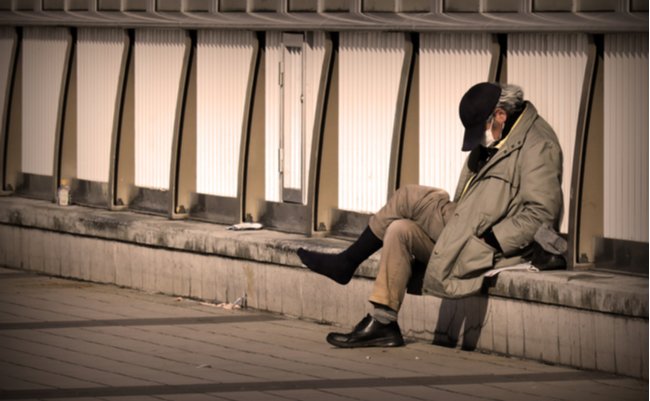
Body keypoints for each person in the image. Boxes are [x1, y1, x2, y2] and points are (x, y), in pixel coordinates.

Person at [297, 82, 563, 348]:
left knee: (408, 197)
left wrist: (492, 239)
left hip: (486, 243)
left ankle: (346, 263)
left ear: (501, 115)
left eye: (481, 129)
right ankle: (383, 323)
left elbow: (541, 214)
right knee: (399, 230)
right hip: (465, 228)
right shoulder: (499, 138)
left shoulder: (538, 145)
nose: (481, 138)